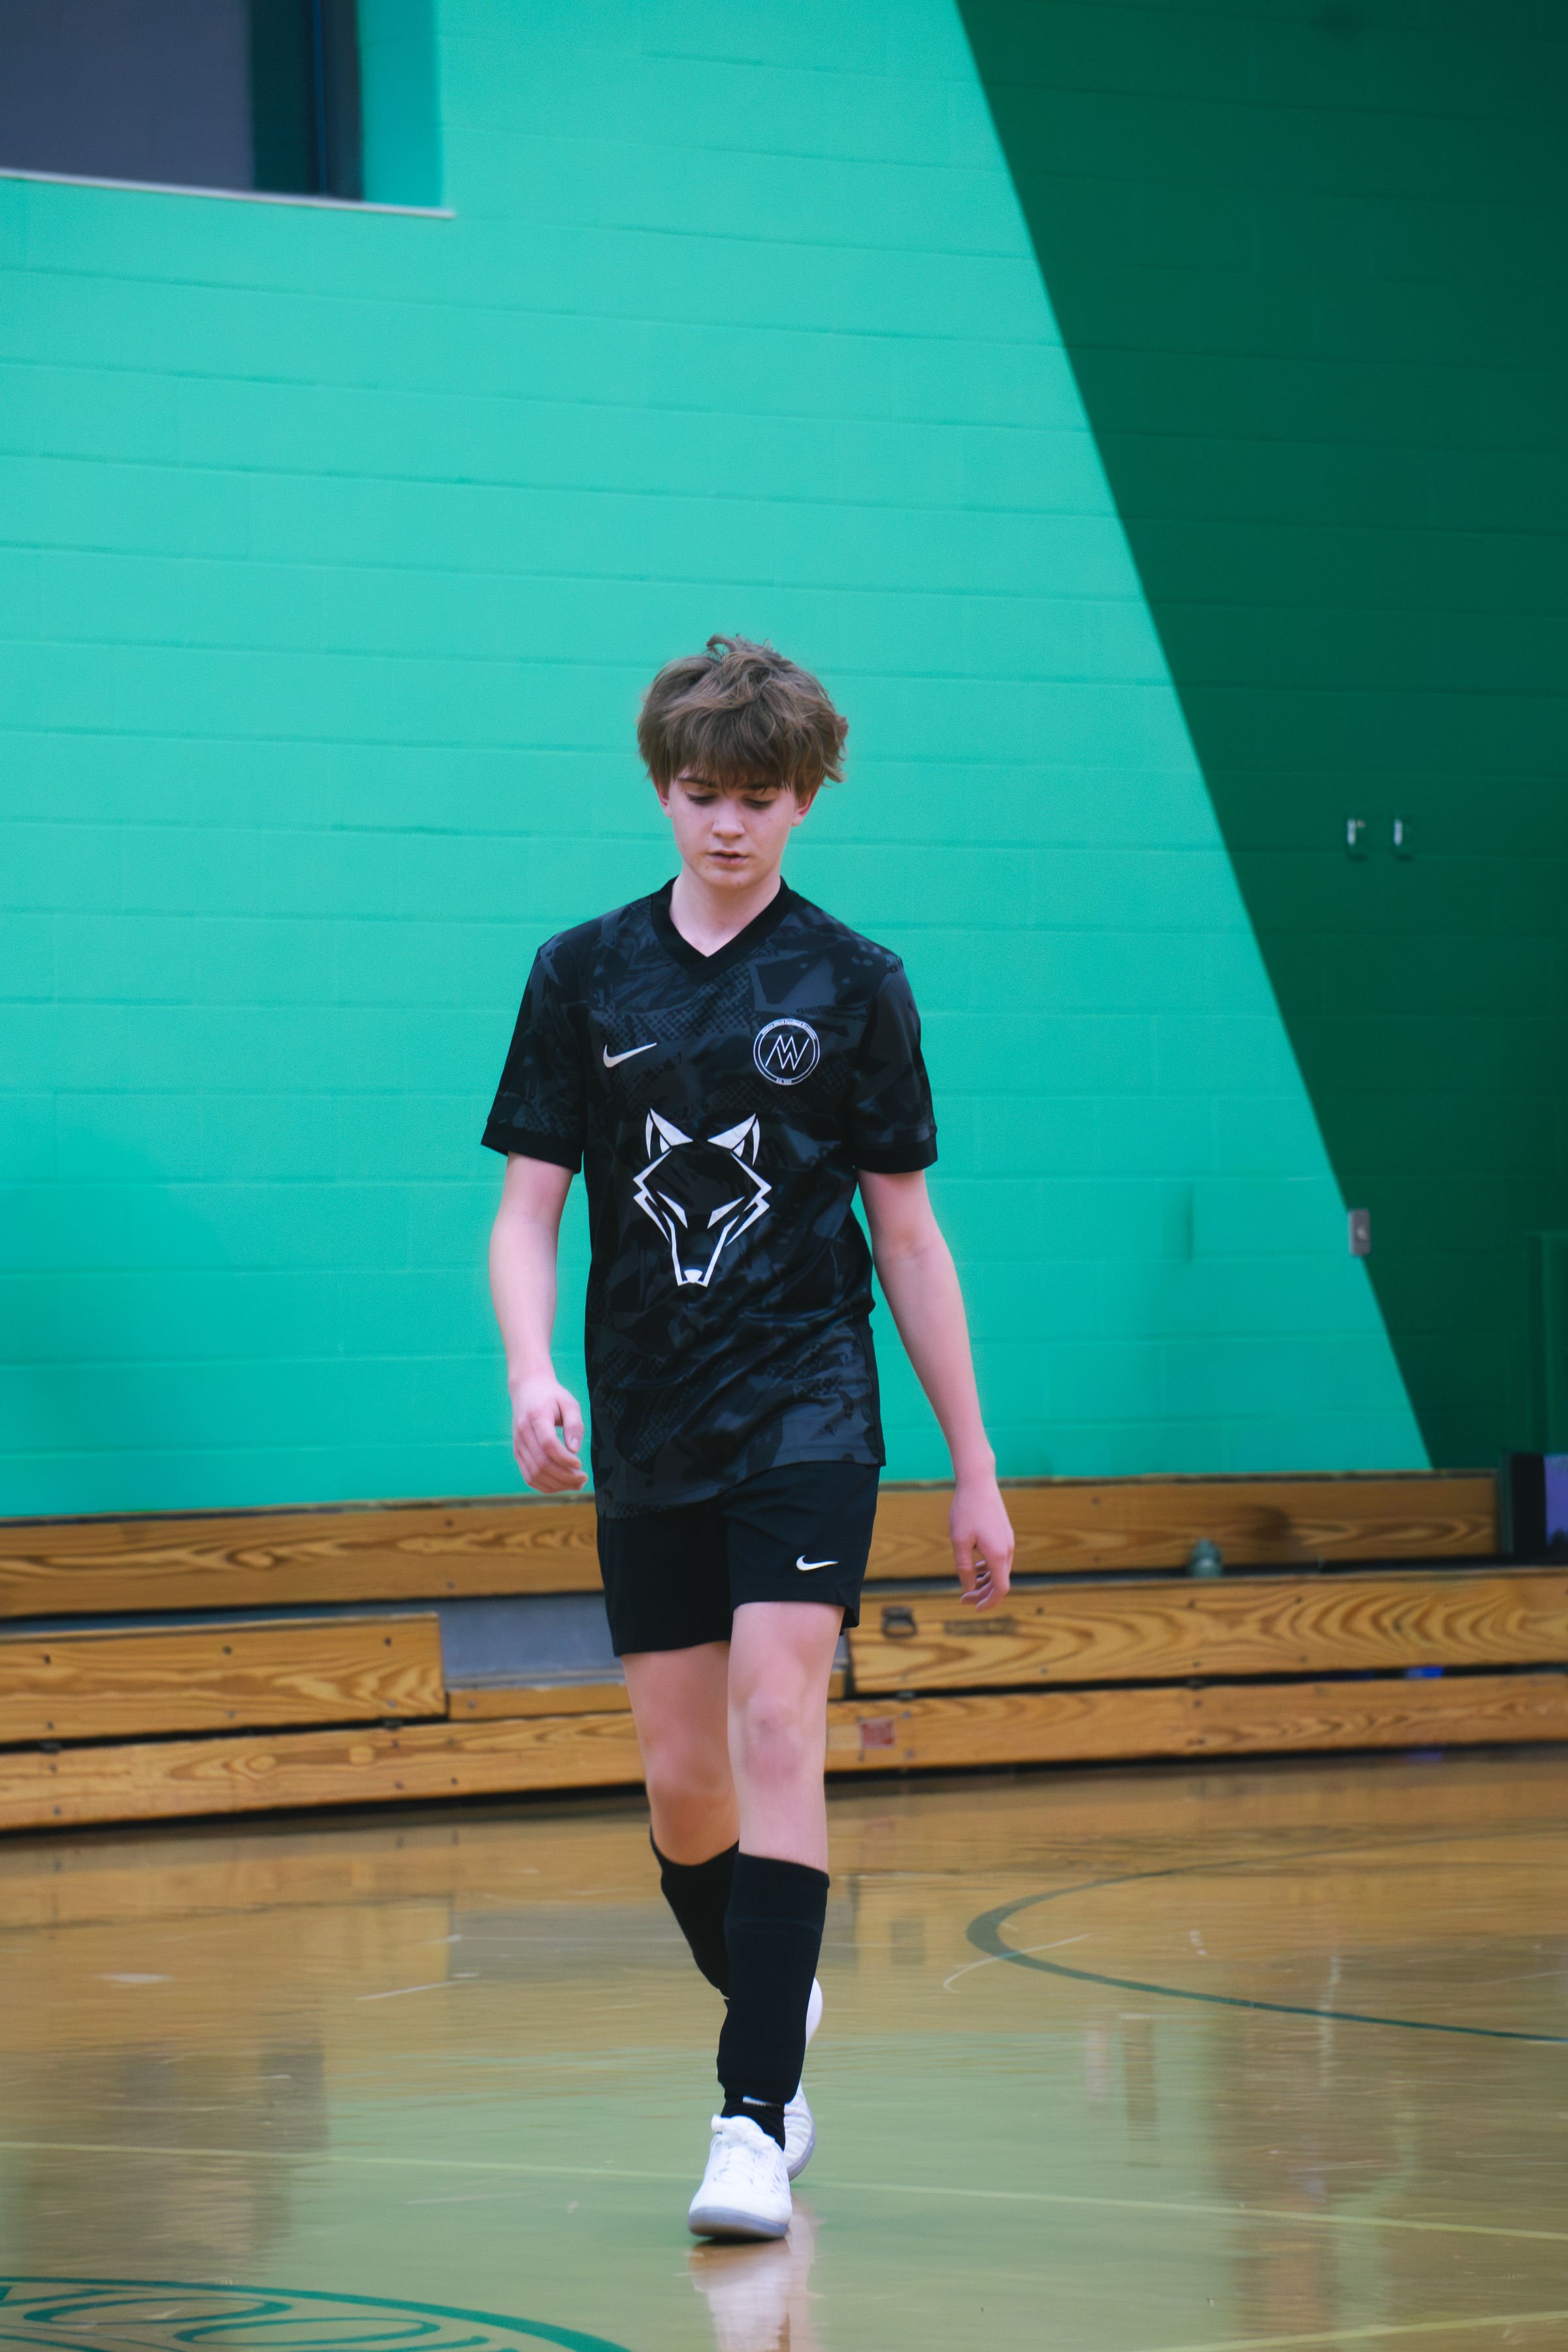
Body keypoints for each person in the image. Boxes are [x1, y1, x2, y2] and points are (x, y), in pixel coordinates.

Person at [483, 636, 1014, 2241]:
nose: (728, 825)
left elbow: (909, 1240)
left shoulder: (858, 984)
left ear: (806, 800)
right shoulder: (581, 974)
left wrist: (974, 1464)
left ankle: (750, 2110)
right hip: (647, 1422)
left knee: (787, 1726)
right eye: (703, 795)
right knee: (682, 1790)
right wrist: (529, 1371)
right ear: (663, 787)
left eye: (760, 799)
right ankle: (776, 2009)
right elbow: (525, 1213)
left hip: (807, 1406)